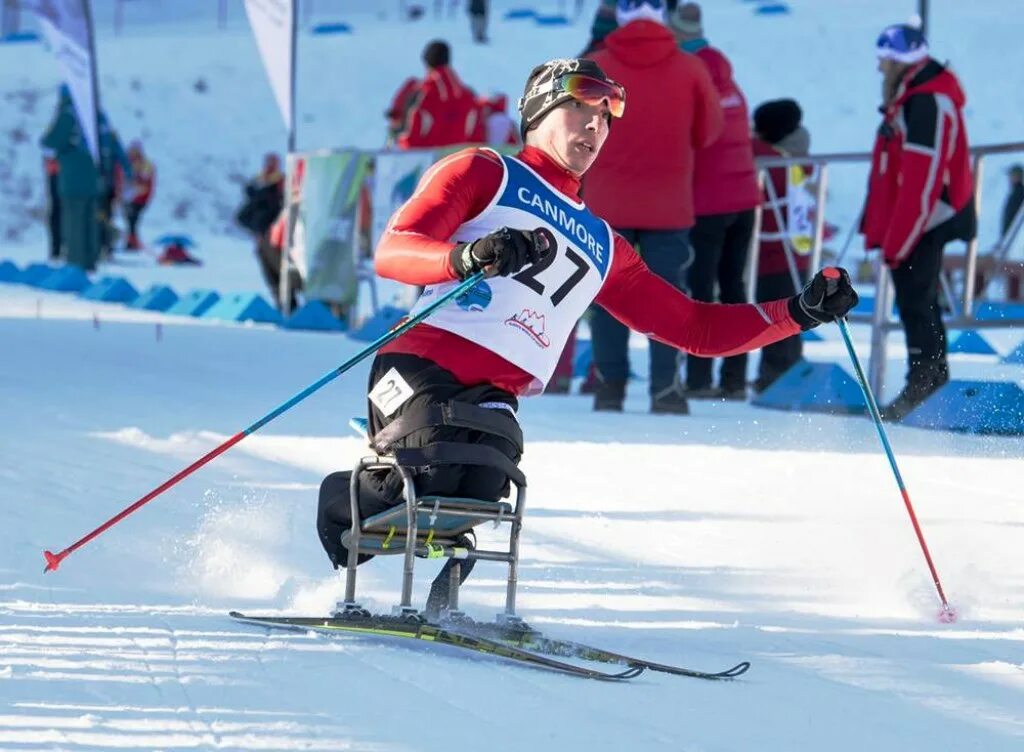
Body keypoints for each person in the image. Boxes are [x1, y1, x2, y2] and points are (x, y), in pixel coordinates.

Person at [315, 57, 858, 614]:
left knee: (479, 492)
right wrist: (466, 256)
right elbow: (394, 249)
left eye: (606, 115)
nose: (595, 125)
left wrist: (799, 311)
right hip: (421, 366)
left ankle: (439, 585)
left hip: (495, 396)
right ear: (539, 109)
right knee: (421, 479)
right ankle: (339, 506)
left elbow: (694, 328)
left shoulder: (603, 243)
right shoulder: (485, 171)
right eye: (581, 107)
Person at [584, 0, 724, 414]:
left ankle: (610, 386)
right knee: (667, 298)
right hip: (669, 202)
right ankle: (665, 389)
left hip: (606, 202)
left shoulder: (594, 68)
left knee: (608, 294)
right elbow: (709, 131)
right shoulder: (690, 68)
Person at [860, 20, 976, 422]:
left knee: (916, 299)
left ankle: (925, 380)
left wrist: (900, 238)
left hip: (927, 218)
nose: (879, 69)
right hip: (917, 217)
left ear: (900, 62)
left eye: (884, 61)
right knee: (917, 299)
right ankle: (928, 377)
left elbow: (923, 179)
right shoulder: (915, 96)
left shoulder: (924, 101)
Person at [670, 3, 760, 401]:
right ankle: (735, 377)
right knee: (735, 287)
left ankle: (700, 378)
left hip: (708, 201)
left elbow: (687, 138)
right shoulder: (730, 82)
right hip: (743, 199)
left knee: (703, 291)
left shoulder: (691, 78)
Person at [750, 99, 814, 392]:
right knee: (791, 317)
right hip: (796, 250)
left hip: (771, 250)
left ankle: (776, 379)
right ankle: (784, 375)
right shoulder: (797, 158)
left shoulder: (765, 157)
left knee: (775, 319)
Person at [40, 85, 100, 272]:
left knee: (74, 223)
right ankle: (91, 261)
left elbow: (51, 141)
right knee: (91, 222)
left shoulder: (68, 114)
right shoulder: (93, 113)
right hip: (92, 176)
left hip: (73, 177)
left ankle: (76, 264)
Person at [396, 40, 483, 149]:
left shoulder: (423, 92)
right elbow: (476, 134)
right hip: (457, 159)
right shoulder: (468, 94)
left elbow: (410, 134)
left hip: (426, 160)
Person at [97, 112, 131, 260]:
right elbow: (122, 157)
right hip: (107, 186)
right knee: (106, 217)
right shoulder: (111, 137)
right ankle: (106, 248)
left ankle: (100, 247)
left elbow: (122, 157)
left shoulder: (90, 136)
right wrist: (129, 174)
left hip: (95, 187)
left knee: (99, 217)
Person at [123, 141, 155, 250]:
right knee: (130, 220)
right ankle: (131, 242)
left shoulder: (145, 164)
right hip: (131, 195)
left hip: (140, 197)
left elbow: (145, 180)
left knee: (132, 219)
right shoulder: (129, 162)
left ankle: (132, 243)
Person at [42, 151, 61, 260]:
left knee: (57, 214)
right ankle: (56, 250)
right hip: (55, 174)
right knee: (56, 214)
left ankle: (57, 250)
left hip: (60, 174)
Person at [1002, 165, 1024, 239]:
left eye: (1011, 175)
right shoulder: (1016, 192)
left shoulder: (1018, 194)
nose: (1009, 179)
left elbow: (1013, 218)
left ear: (1017, 177)